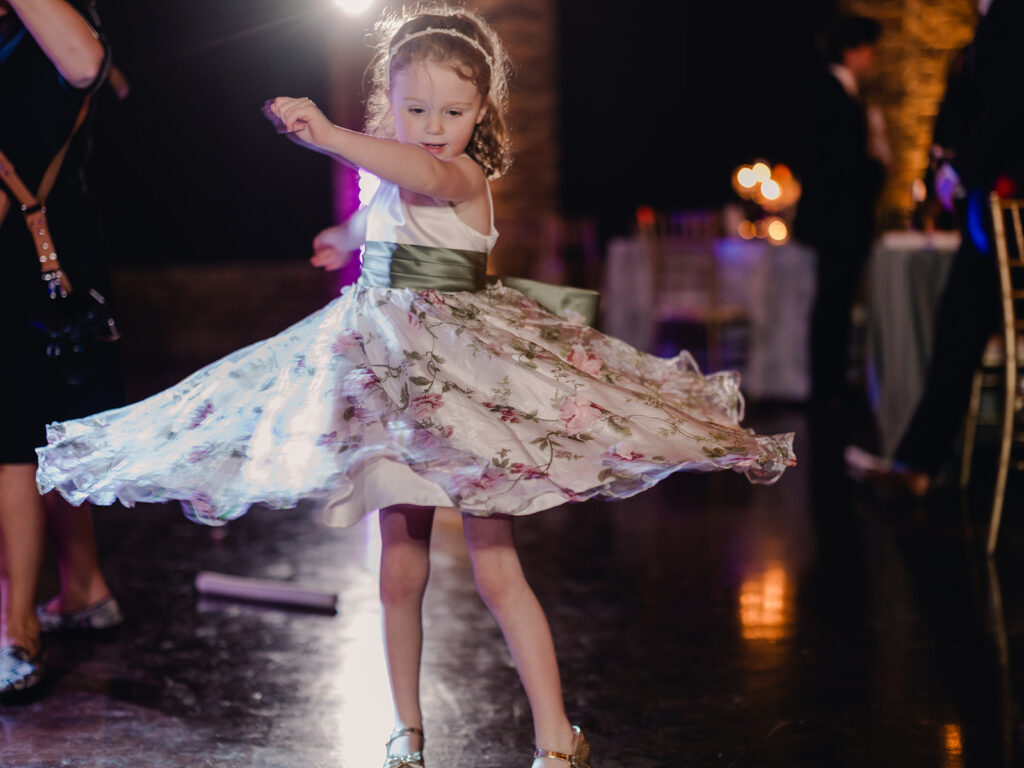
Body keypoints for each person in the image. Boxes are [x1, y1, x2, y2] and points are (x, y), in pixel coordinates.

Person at [36, 6, 795, 765]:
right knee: (399, 567)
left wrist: (328, 135)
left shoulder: (464, 174)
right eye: (416, 109)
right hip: (395, 391)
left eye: (453, 112)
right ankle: (406, 729)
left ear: (482, 110)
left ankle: (557, 737)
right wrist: (344, 237)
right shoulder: (390, 178)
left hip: (462, 386)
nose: (434, 128)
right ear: (391, 103)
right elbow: (384, 205)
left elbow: (424, 176)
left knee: (496, 567)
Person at [846, 0, 1024, 494]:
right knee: (956, 329)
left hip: (1005, 205)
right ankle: (916, 463)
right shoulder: (989, 24)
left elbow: (1010, 103)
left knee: (958, 326)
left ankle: (916, 464)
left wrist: (960, 170)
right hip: (991, 205)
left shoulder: (1010, 14)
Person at [0, 0, 123, 698]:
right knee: (46, 429)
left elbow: (83, 66)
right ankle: (82, 587)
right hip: (36, 246)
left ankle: (18, 627)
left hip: (34, 255)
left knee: (24, 439)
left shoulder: (51, 26)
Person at [792, 14, 887, 409]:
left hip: (840, 221)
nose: (873, 57)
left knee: (836, 303)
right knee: (832, 304)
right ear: (851, 51)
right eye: (869, 48)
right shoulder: (832, 94)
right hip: (837, 221)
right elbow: (835, 163)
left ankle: (831, 386)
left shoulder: (842, 93)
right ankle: (827, 389)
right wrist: (876, 166)